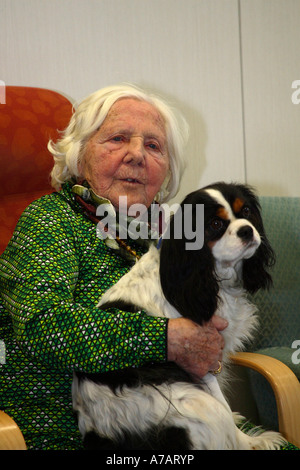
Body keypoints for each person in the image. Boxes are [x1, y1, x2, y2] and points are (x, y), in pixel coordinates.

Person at [0, 84, 227, 450]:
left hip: (176, 421)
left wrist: (207, 345)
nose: (137, 155)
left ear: (168, 170)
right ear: (78, 154)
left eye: (154, 146)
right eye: (118, 138)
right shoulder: (51, 221)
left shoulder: (168, 238)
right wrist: (166, 338)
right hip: (75, 436)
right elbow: (43, 326)